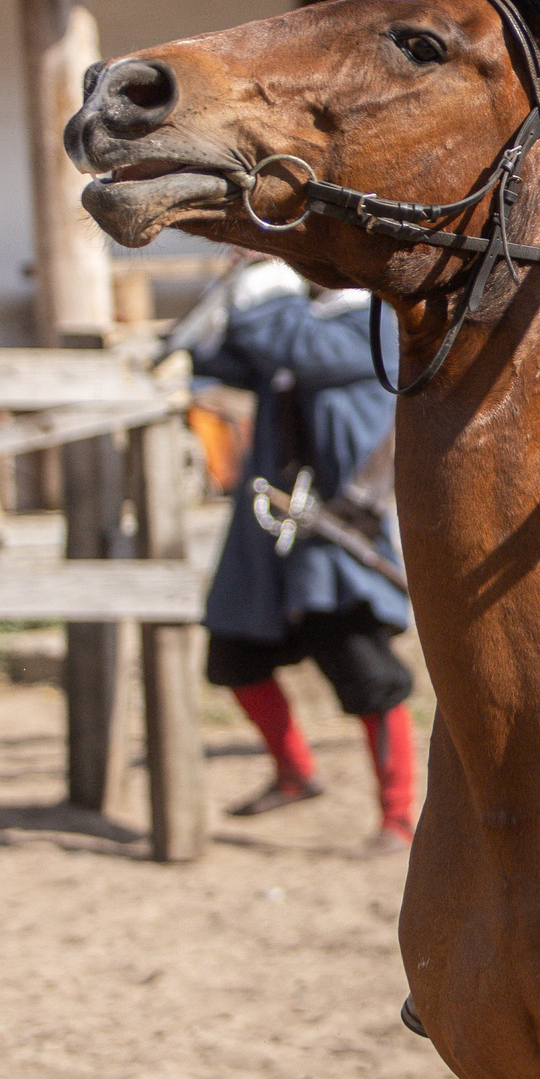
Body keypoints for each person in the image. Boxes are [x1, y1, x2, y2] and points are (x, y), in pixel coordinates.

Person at [173, 255, 417, 852]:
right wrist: (225, 290)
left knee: (368, 677)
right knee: (234, 658)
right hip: (268, 534)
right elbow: (213, 356)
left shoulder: (375, 323)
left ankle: (399, 815)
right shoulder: (292, 326)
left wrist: (263, 284)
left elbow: (295, 347)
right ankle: (293, 773)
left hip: (338, 529)